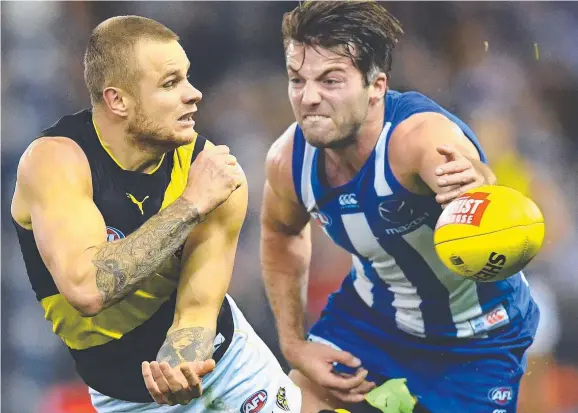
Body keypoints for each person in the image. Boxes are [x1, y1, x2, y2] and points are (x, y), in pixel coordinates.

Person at [11, 15, 306, 413]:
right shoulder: (56, 162)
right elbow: (86, 289)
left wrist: (181, 366)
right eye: (171, 84)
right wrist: (190, 206)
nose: (194, 94)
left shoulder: (212, 169)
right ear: (118, 100)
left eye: (187, 78)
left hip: (233, 369)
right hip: (126, 400)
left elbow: (198, 307)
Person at [260, 2, 540, 413]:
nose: (309, 98)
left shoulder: (419, 140)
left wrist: (480, 186)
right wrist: (293, 344)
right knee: (289, 402)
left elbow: (474, 185)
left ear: (377, 86)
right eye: (297, 80)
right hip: (372, 323)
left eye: (330, 80)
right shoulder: (287, 161)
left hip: (476, 338)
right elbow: (280, 232)